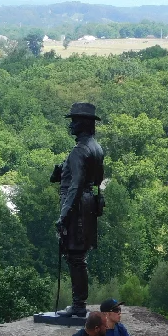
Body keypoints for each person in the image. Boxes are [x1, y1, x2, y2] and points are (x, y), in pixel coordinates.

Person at [55, 102, 105, 318]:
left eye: (75, 121)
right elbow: (96, 179)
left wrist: (63, 215)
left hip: (76, 207)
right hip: (88, 205)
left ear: (83, 124)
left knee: (75, 257)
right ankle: (79, 303)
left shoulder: (79, 151)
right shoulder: (96, 148)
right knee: (79, 256)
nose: (72, 125)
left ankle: (78, 305)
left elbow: (75, 185)